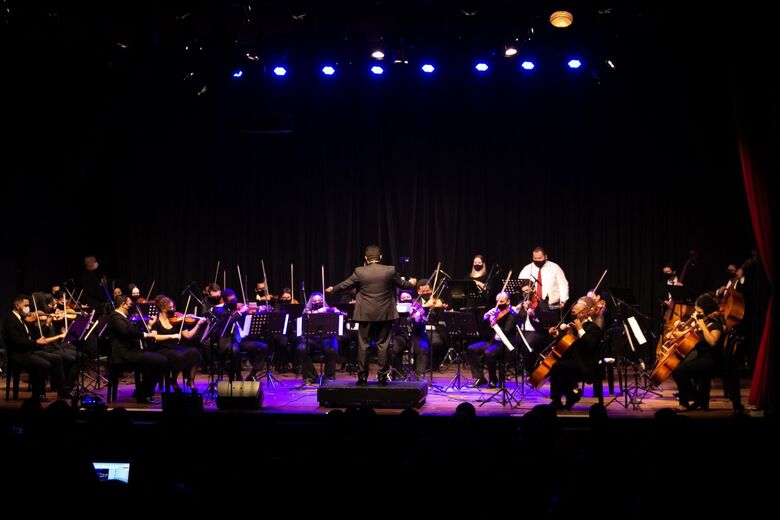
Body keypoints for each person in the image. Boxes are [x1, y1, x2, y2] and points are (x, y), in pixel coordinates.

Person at [327, 245, 416, 385]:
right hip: (385, 314)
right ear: (380, 258)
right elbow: (404, 285)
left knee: (364, 345)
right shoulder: (389, 270)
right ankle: (382, 377)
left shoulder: (359, 271)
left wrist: (333, 289)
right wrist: (412, 283)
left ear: (365, 259)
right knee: (383, 345)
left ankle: (362, 377)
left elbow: (345, 285)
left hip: (365, 314)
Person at [546, 295, 605, 410]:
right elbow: (565, 341)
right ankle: (568, 395)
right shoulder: (573, 326)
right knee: (558, 365)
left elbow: (591, 344)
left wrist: (580, 329)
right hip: (574, 360)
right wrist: (556, 334)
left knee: (557, 367)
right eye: (574, 314)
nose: (575, 316)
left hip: (586, 362)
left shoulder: (593, 327)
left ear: (585, 313)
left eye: (577, 313)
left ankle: (564, 396)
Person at [107, 294, 167, 404]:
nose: (131, 307)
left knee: (157, 360)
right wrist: (145, 335)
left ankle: (141, 392)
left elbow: (133, 333)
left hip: (131, 352)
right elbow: (127, 332)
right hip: (124, 355)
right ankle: (144, 394)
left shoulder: (122, 317)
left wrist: (148, 326)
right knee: (160, 361)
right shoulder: (116, 318)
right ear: (123, 304)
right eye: (129, 304)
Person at [670, 293, 724, 411]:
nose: (697, 314)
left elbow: (713, 342)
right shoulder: (702, 322)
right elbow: (689, 336)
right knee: (675, 368)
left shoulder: (715, 325)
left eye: (699, 312)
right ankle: (697, 399)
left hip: (712, 360)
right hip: (701, 358)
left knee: (679, 371)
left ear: (706, 310)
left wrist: (702, 327)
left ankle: (686, 403)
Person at [467, 291, 519, 387]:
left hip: (504, 344)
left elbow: (506, 331)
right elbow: (481, 328)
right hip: (492, 342)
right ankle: (480, 378)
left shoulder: (512, 314)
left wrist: (495, 322)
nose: (499, 304)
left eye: (502, 302)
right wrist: (485, 316)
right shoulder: (494, 312)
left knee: (488, 352)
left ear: (508, 302)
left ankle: (493, 379)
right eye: (497, 301)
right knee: (472, 348)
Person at [296, 292, 343, 384]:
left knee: (332, 349)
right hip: (311, 338)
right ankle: (310, 376)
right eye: (315, 301)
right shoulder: (307, 311)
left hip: (327, 337)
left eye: (319, 300)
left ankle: (329, 376)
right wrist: (318, 311)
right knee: (301, 348)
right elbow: (304, 319)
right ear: (311, 302)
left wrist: (338, 312)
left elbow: (342, 316)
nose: (317, 302)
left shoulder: (328, 310)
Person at [518, 246, 569, 329]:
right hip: (533, 306)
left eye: (539, 258)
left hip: (552, 305)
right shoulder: (527, 269)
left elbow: (563, 284)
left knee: (552, 329)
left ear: (545, 257)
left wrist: (563, 299)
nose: (537, 260)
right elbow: (521, 286)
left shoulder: (555, 267)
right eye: (535, 258)